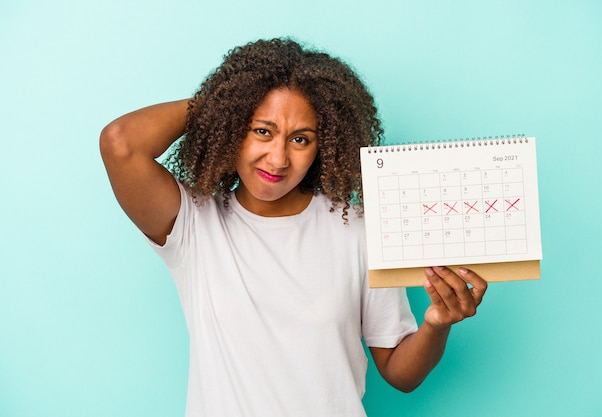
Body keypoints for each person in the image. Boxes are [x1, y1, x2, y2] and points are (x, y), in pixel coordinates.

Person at [100, 37, 487, 417]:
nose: (278, 157)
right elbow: (121, 143)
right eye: (262, 131)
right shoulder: (194, 224)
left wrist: (437, 323)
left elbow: (401, 373)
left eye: (300, 139)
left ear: (325, 145)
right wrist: (226, 105)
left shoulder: (357, 230)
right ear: (233, 128)